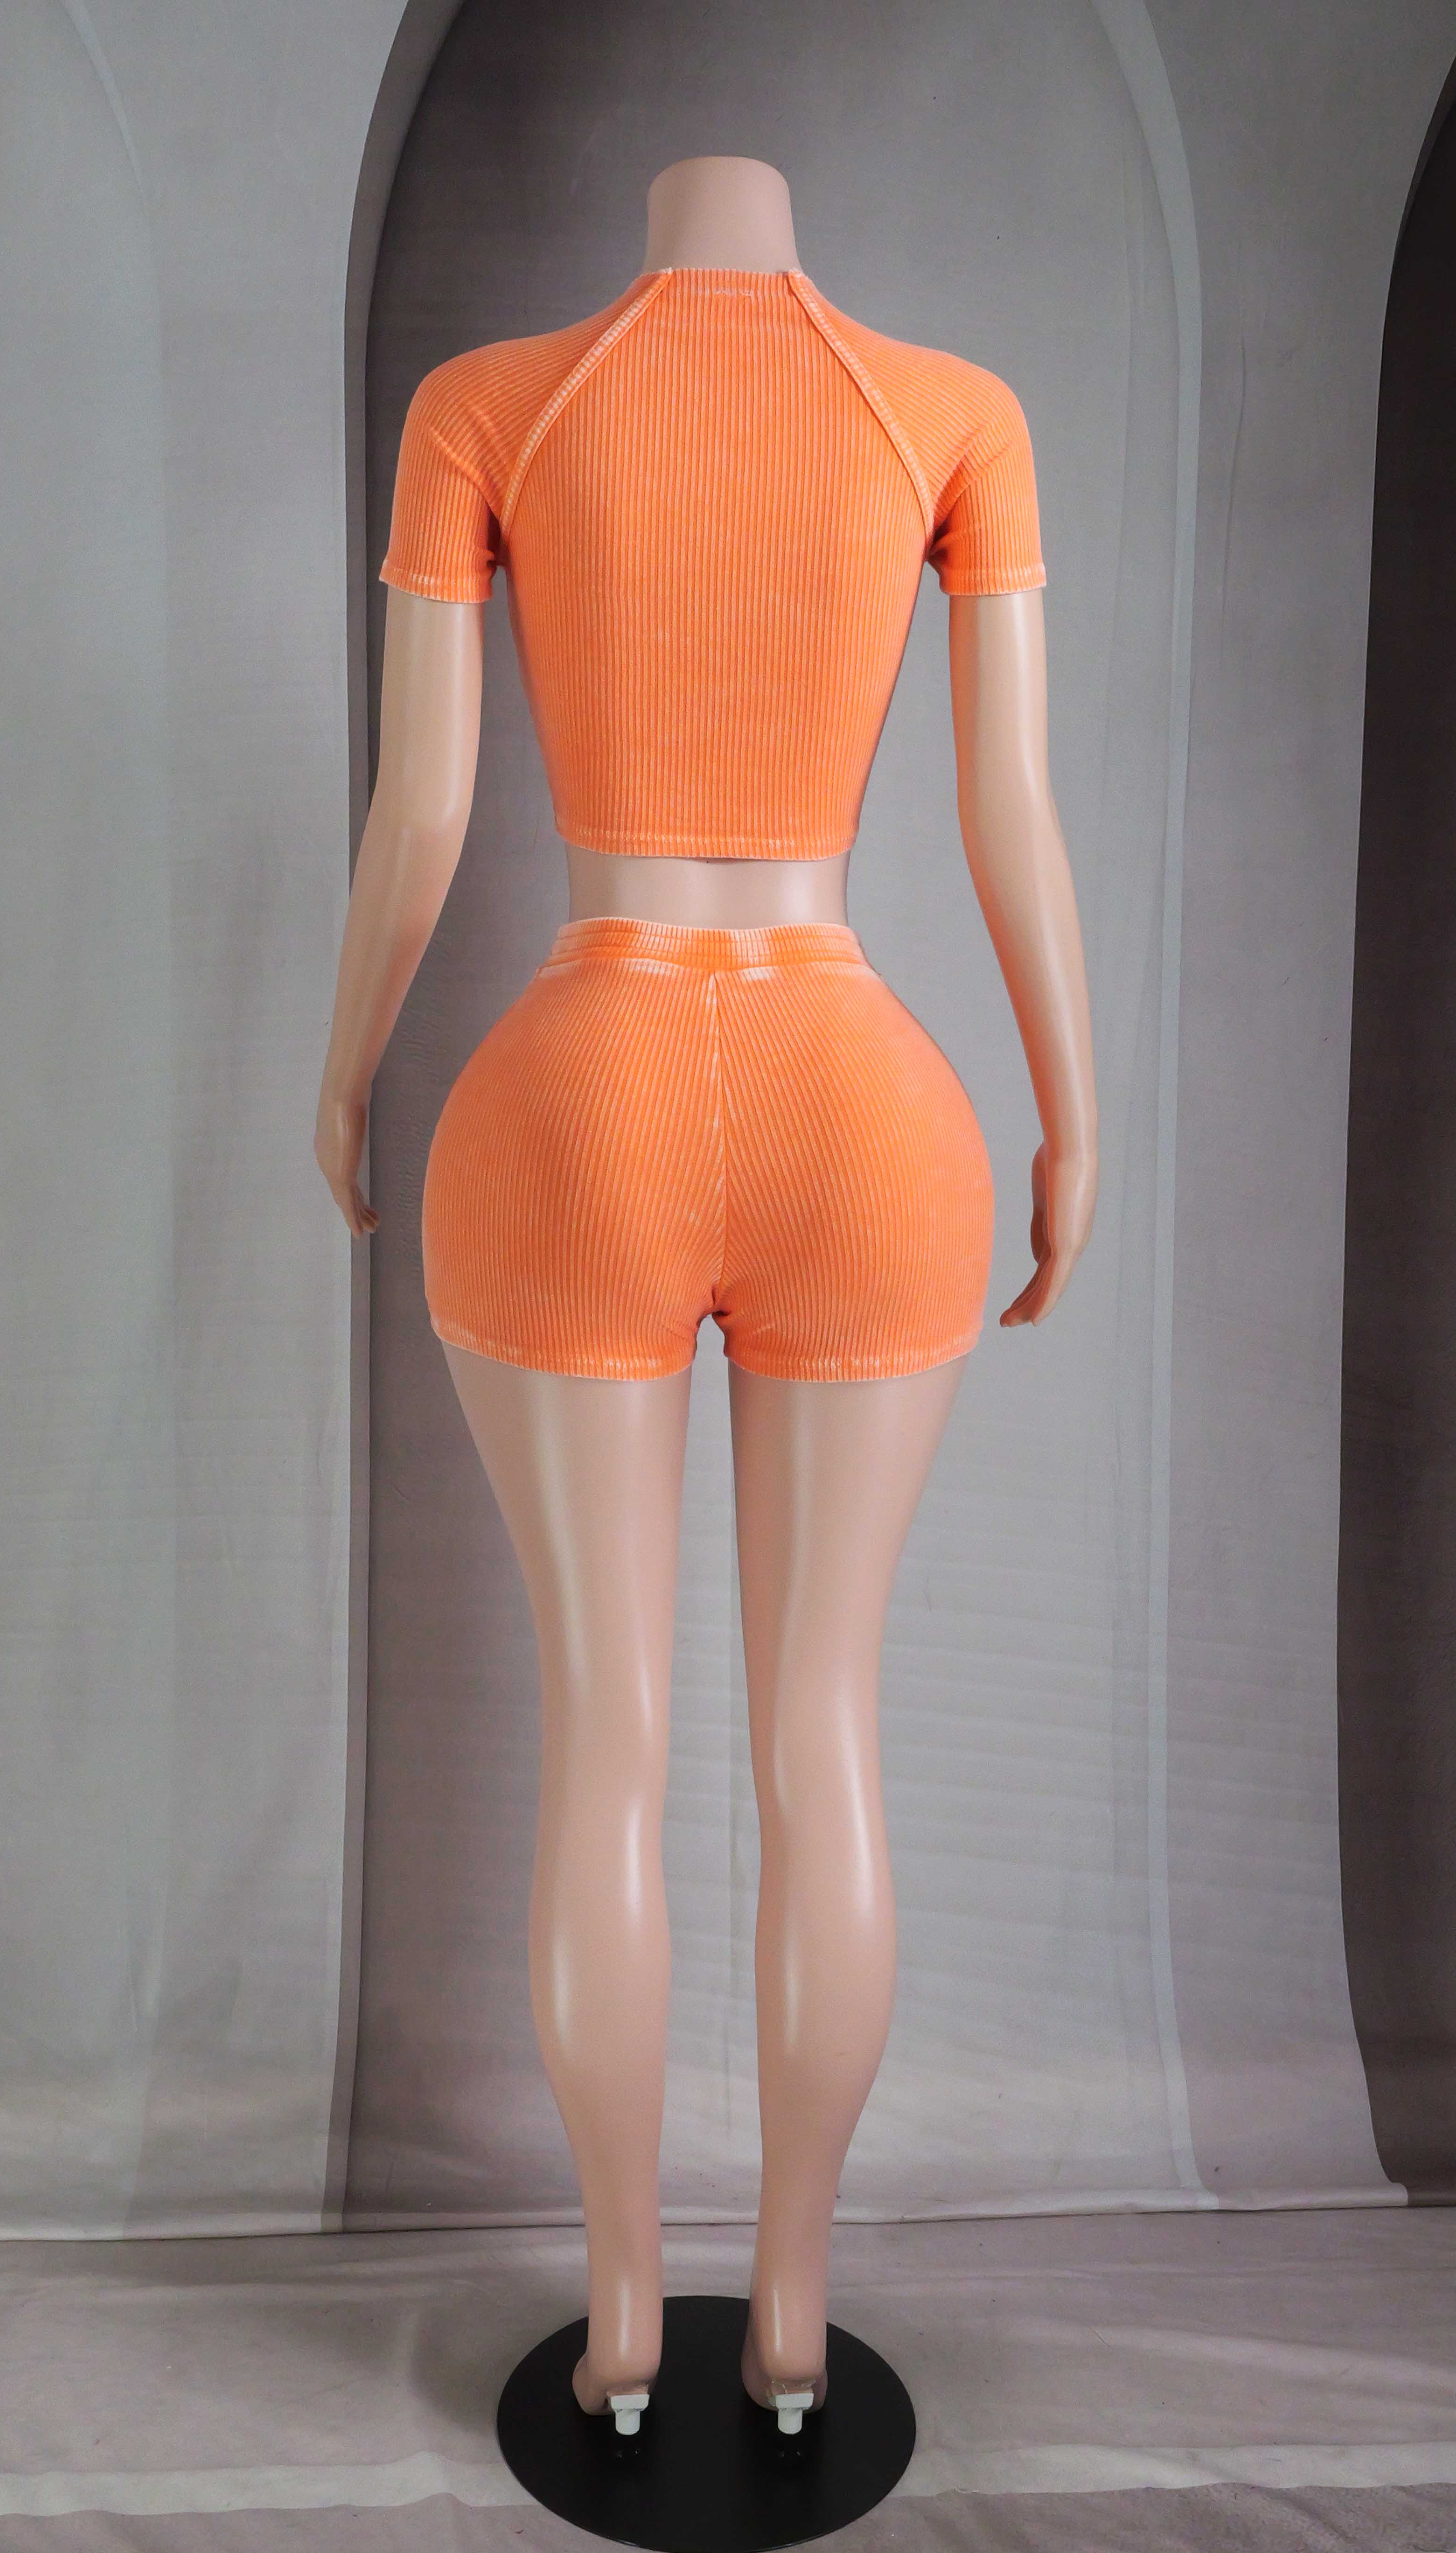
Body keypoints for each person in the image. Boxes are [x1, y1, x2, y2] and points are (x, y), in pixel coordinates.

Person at [316, 153, 1097, 2436]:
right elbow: (1014, 810)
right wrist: (1075, 1116)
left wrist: (344, 1075)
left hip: (582, 1088)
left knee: (608, 1742)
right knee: (825, 1729)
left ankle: (628, 2319)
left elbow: (422, 814)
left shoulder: (493, 401)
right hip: (866, 1097)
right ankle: (790, 2322)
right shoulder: (950, 407)